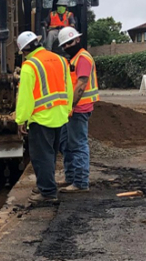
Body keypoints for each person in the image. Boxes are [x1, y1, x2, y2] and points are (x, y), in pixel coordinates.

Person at [15, 31, 73, 204]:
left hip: (41, 118)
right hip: (60, 115)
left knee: (42, 157)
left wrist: (21, 120)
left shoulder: (30, 66)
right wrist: (67, 109)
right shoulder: (61, 60)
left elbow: (26, 97)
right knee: (51, 154)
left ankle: (47, 192)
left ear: (24, 50)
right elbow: (68, 87)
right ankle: (46, 185)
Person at [57, 27, 99, 193]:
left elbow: (81, 85)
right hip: (72, 109)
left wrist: (71, 106)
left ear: (78, 40)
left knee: (78, 144)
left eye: (70, 42)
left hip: (79, 108)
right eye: (65, 44)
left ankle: (80, 182)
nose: (67, 46)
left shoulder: (82, 58)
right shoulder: (73, 59)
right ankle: (70, 177)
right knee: (66, 144)